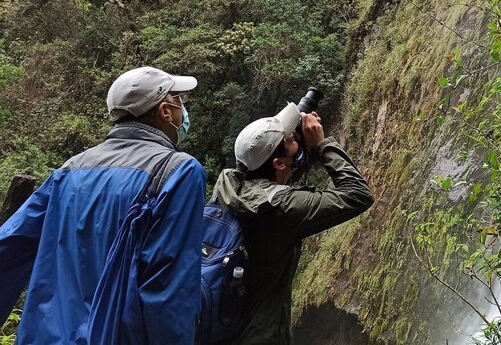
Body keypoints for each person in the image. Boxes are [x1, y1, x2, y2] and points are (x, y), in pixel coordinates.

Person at [0, 66, 207, 344]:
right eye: (179, 101)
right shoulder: (178, 171)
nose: (184, 112)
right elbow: (169, 289)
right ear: (165, 111)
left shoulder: (69, 170)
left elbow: (9, 245)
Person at [212, 102, 374, 345]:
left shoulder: (227, 186)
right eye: (290, 139)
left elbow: (270, 183)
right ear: (278, 163)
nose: (295, 138)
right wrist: (321, 145)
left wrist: (296, 150)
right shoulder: (282, 209)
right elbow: (358, 195)